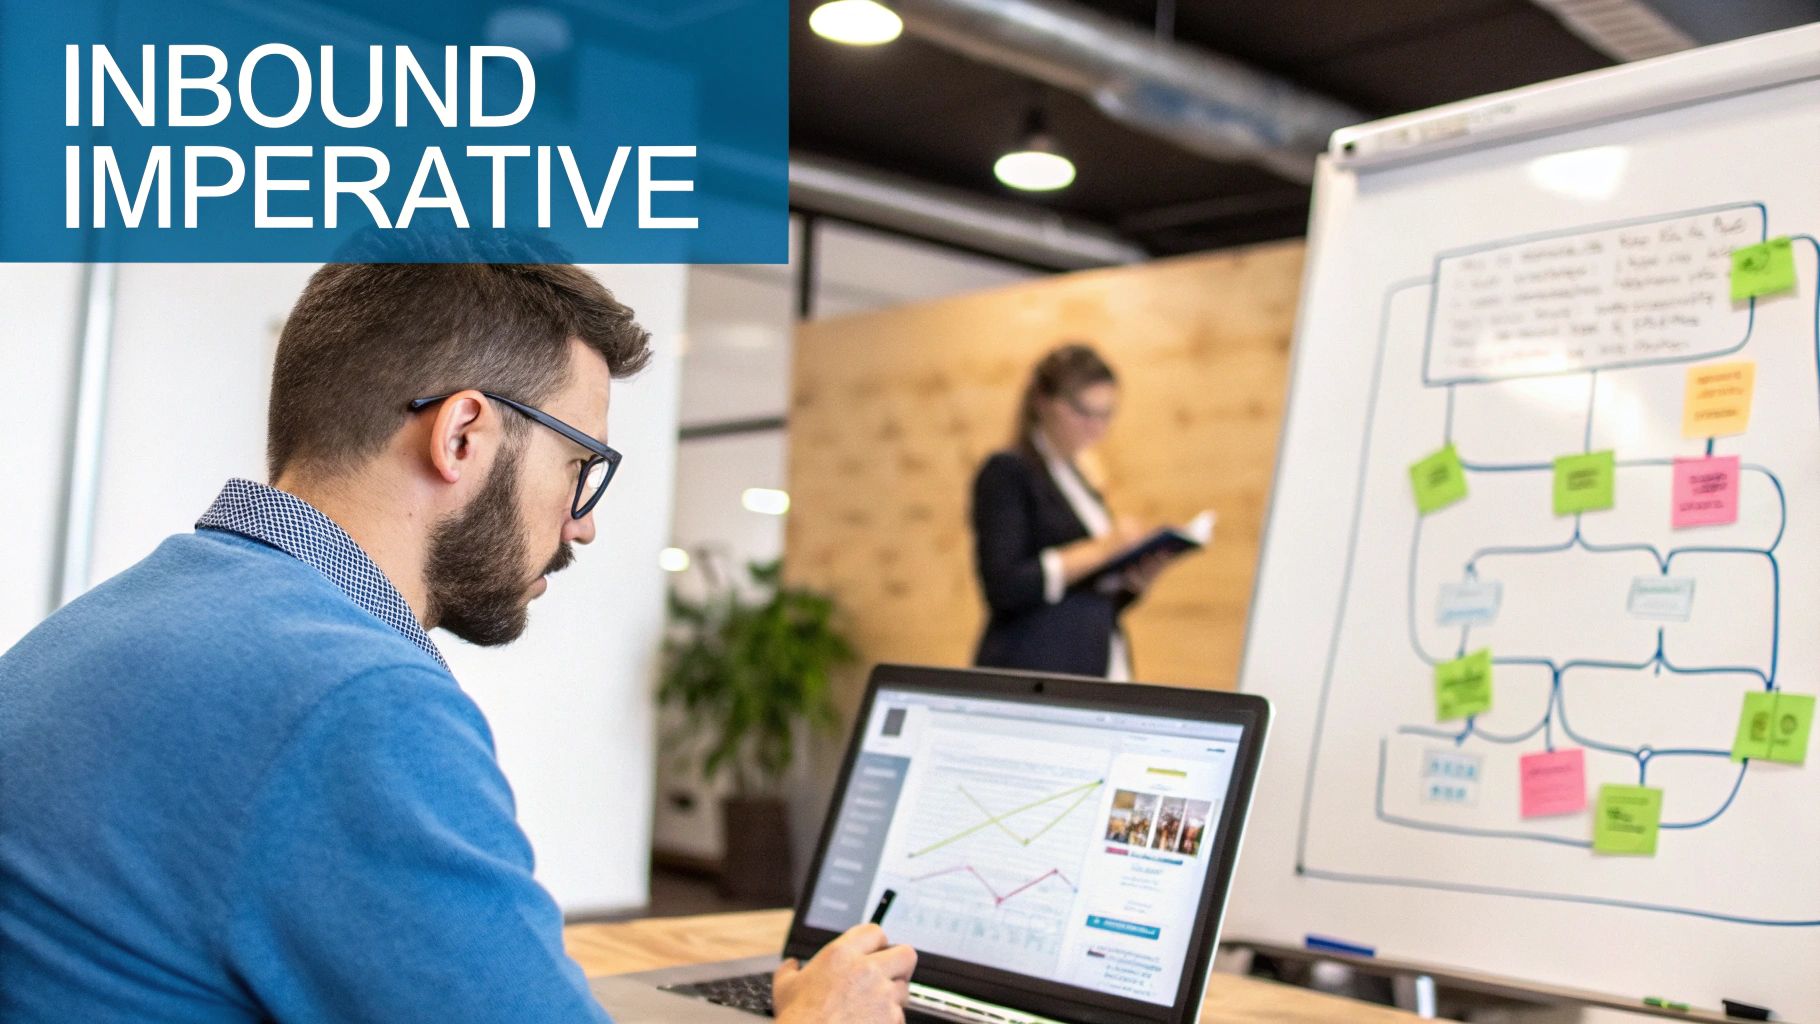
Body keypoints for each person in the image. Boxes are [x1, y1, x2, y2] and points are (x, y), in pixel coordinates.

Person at [0, 264, 915, 1024]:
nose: (582, 525)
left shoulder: (110, 622)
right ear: (463, 434)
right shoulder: (354, 701)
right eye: (580, 467)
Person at [969, 343, 1173, 679]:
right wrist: (1104, 548)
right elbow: (1005, 585)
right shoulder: (1009, 471)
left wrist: (1133, 582)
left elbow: (1085, 599)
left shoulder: (1078, 478)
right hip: (1034, 671)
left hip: (1094, 662)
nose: (1096, 427)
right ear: (1042, 401)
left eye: (1106, 414)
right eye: (1083, 411)